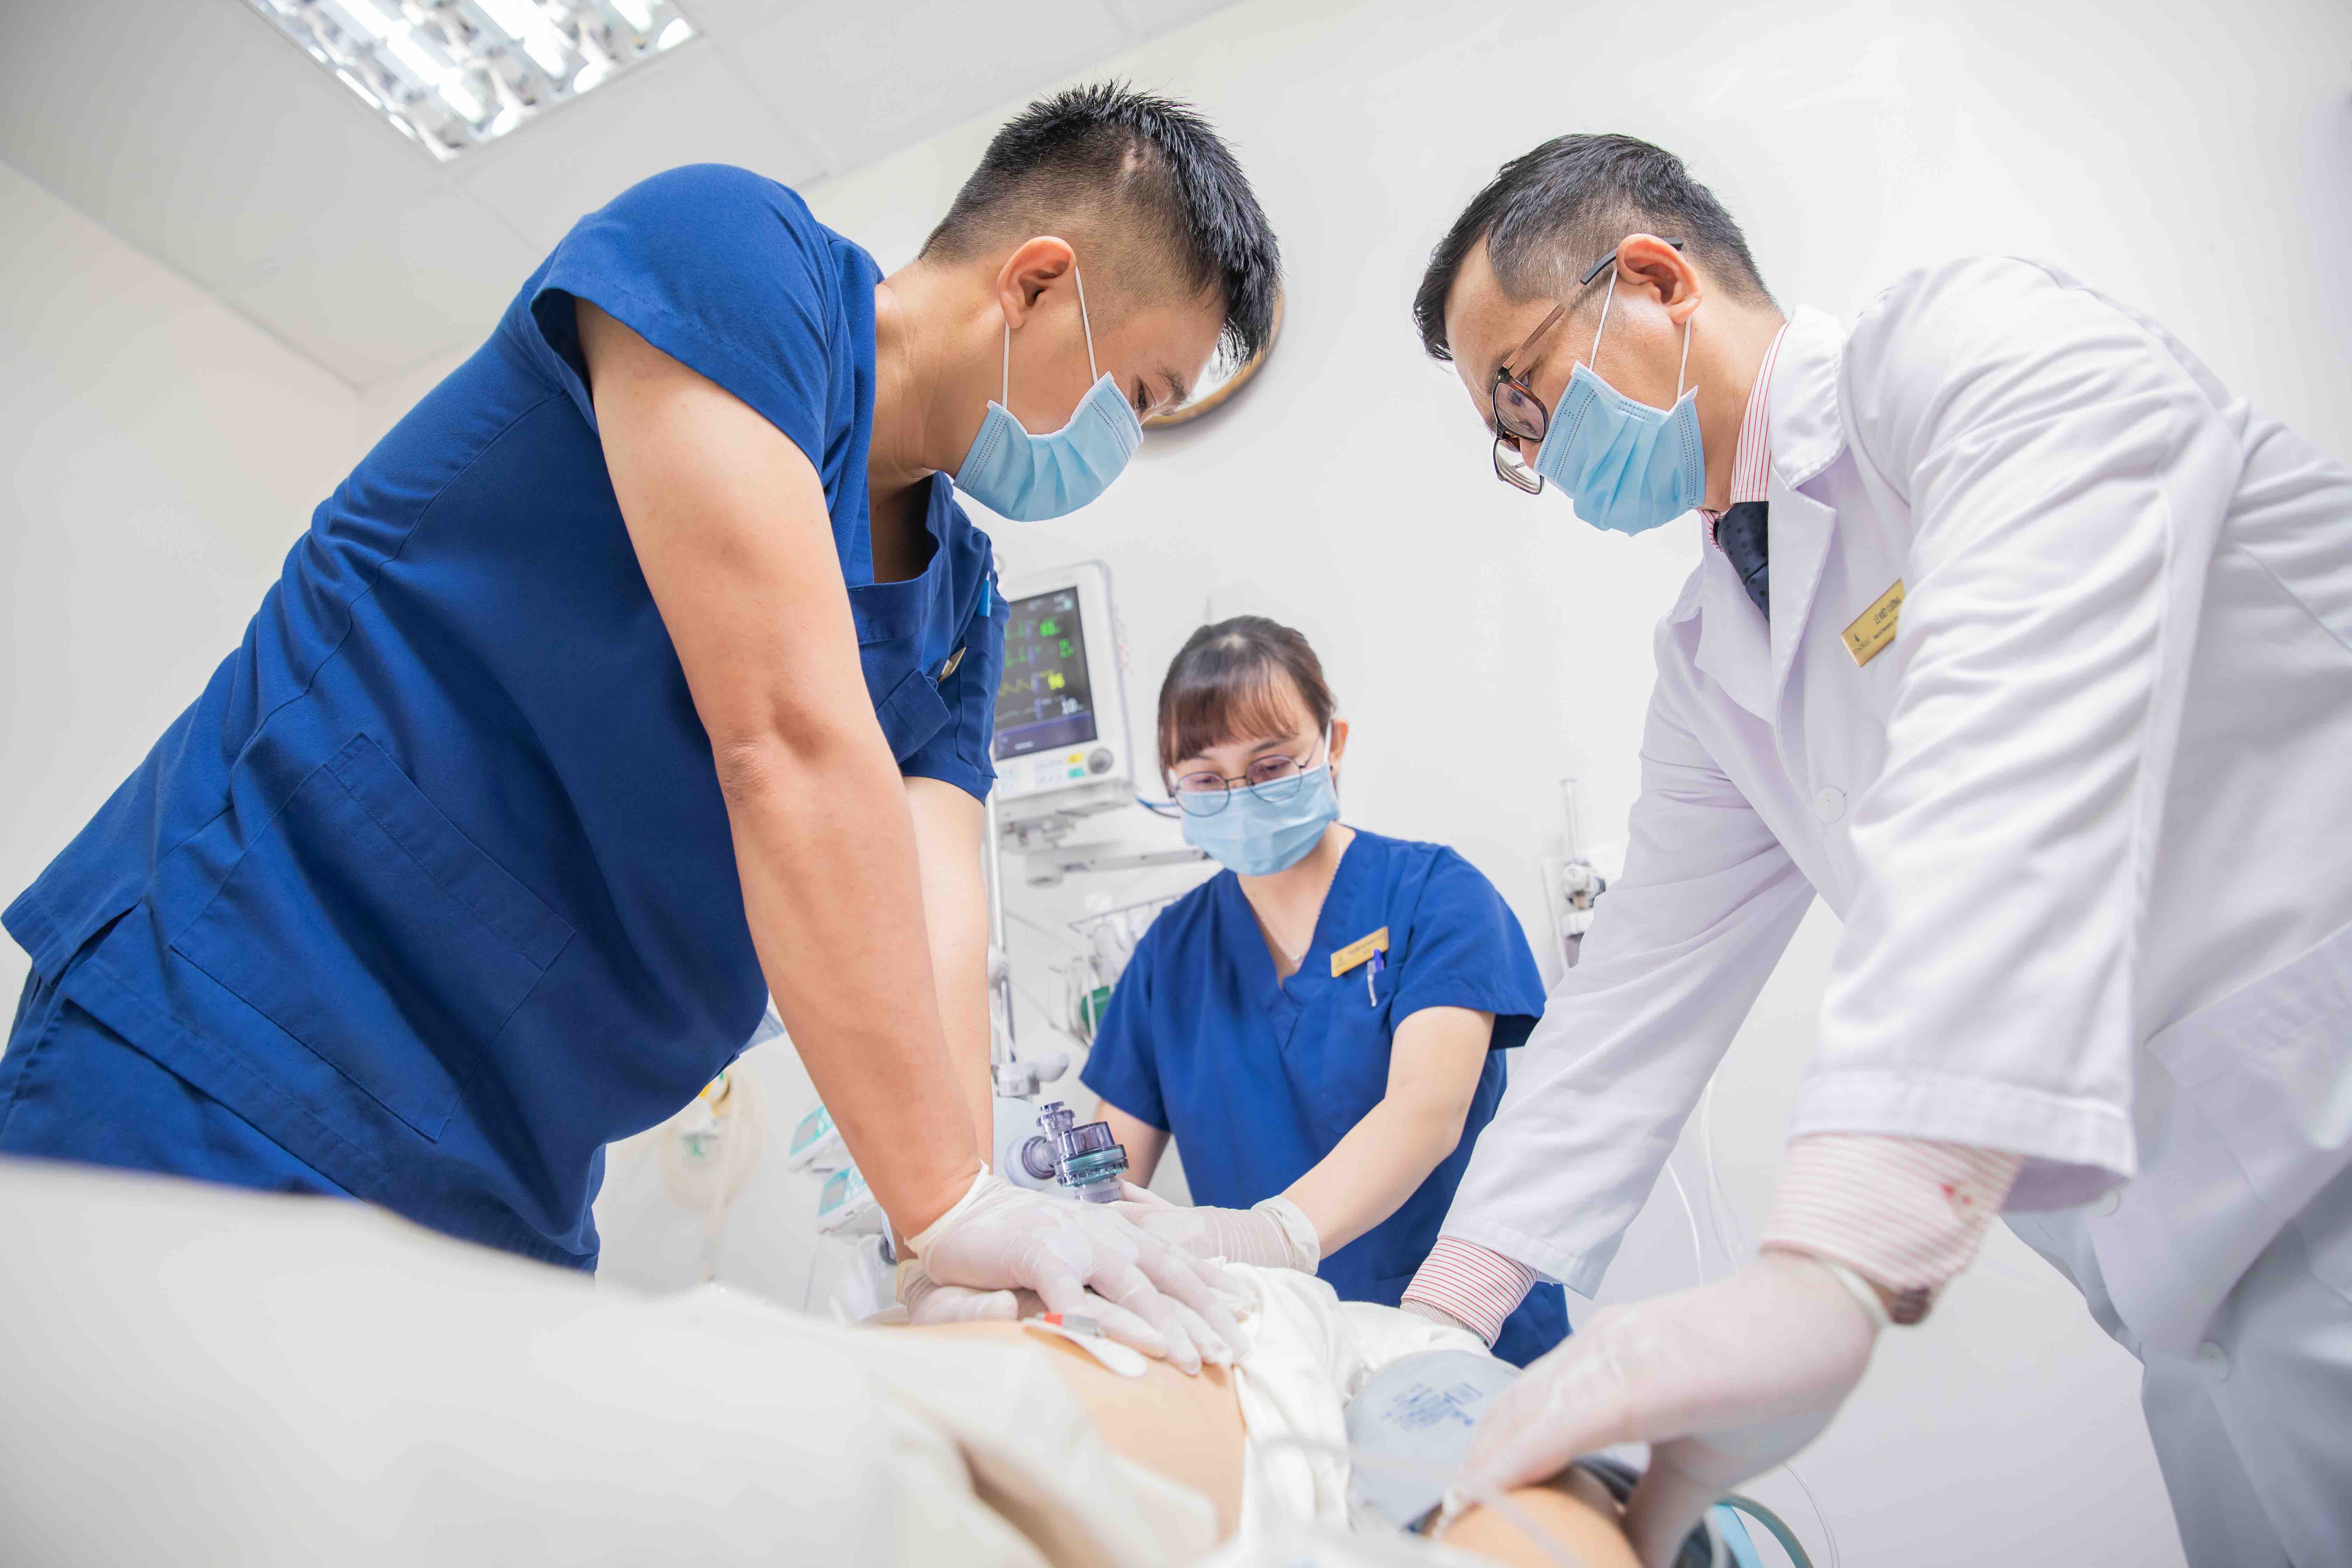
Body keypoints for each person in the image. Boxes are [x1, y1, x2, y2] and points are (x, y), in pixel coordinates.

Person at [0, 85, 1282, 1372]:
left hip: (512, 1161)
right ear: (1037, 285)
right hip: (243, 1016)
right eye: (1135, 393)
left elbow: (939, 913)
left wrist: (944, 1238)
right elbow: (785, 740)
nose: (1121, 443)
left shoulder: (961, 604)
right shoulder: (728, 257)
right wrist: (947, 1201)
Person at [1394, 132, 2352, 1566]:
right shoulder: (1715, 649)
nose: (1534, 456)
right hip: (2183, 1288)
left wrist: (1828, 1261)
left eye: (1524, 395)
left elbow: (2004, 770)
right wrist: (1434, 1324)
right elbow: (1635, 992)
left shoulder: (1976, 356)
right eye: (1509, 439)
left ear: (1652, 280)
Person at [1077, 617, 1569, 1366]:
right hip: (1277, 1354)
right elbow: (1108, 1169)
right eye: (1206, 778)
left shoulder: (1436, 895)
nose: (1240, 796)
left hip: (1463, 1339)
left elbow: (1427, 1113)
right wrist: (1051, 1227)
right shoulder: (1168, 957)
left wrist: (1269, 1234)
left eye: (1271, 765)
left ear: (1332, 745)